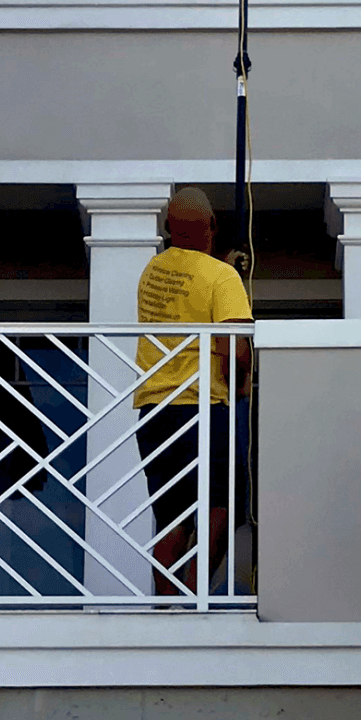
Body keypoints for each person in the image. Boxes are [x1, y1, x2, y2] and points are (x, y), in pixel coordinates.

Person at [134, 187, 251, 596]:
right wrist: (241, 385)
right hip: (201, 406)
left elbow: (189, 284)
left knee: (171, 514)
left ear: (168, 229)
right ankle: (197, 589)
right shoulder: (223, 278)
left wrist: (220, 267)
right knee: (223, 504)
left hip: (153, 409)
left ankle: (167, 604)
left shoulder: (152, 272)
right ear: (213, 226)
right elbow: (236, 349)